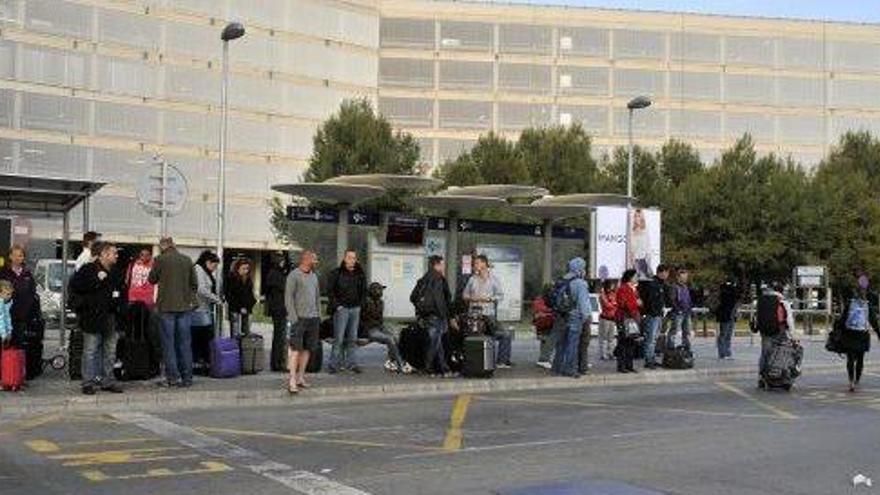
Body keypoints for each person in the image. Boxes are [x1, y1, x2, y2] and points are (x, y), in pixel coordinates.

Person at [69, 241, 124, 395]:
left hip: (111, 316)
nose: (117, 255)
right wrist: (97, 280)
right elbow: (76, 286)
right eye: (114, 253)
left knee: (110, 351)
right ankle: (88, 382)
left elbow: (121, 291)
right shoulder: (88, 269)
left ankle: (108, 380)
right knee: (91, 350)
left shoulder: (116, 271)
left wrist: (121, 308)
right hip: (92, 317)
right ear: (104, 255)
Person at [149, 237, 197, 388]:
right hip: (184, 307)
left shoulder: (160, 260)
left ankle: (173, 378)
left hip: (166, 308)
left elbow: (152, 279)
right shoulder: (187, 259)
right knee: (184, 343)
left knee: (168, 344)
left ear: (163, 246)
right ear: (174, 245)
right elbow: (194, 283)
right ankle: (187, 378)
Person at [462, 254, 513, 368]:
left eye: (477, 263)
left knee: (505, 335)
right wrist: (472, 298)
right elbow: (464, 295)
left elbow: (500, 296)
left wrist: (489, 299)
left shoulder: (494, 279)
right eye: (474, 264)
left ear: (484, 264)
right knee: (478, 339)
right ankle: (477, 362)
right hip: (474, 316)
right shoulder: (472, 279)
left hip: (489, 315)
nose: (475, 266)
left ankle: (502, 361)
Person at [285, 250, 322, 394]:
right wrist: (293, 318)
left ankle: (301, 377)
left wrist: (318, 314)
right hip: (299, 319)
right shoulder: (293, 275)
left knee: (307, 349)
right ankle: (292, 380)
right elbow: (288, 298)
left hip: (313, 319)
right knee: (295, 350)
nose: (316, 263)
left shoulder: (314, 276)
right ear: (306, 260)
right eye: (314, 260)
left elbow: (317, 296)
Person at [411, 255, 453, 377]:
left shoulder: (423, 279)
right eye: (442, 264)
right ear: (437, 265)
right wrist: (443, 315)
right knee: (435, 343)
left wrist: (422, 309)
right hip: (437, 316)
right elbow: (441, 299)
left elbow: (413, 297)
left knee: (437, 342)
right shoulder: (439, 278)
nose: (443, 266)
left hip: (426, 316)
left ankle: (444, 368)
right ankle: (427, 367)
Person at [327, 249, 366, 374]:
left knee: (352, 338)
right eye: (349, 257)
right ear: (344, 259)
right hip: (341, 309)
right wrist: (337, 306)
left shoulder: (360, 274)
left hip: (355, 309)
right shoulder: (336, 273)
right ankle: (334, 365)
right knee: (338, 338)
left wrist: (360, 305)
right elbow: (330, 291)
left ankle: (352, 364)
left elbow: (364, 291)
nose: (352, 260)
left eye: (354, 258)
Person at [551, 257, 591, 379]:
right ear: (580, 269)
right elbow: (583, 304)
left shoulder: (563, 279)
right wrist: (585, 317)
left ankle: (557, 367)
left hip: (561, 315)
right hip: (575, 316)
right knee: (572, 343)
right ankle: (569, 369)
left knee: (561, 343)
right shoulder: (581, 283)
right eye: (584, 268)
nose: (585, 271)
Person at [837, 278, 880, 392]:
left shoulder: (850, 303)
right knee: (860, 359)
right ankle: (857, 379)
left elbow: (842, 319)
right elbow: (874, 322)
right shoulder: (867, 305)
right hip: (862, 334)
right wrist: (878, 333)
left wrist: (837, 331)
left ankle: (851, 381)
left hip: (850, 333)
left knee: (850, 358)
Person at [360, 282, 409, 373]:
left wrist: (383, 327)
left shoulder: (381, 302)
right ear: (373, 291)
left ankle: (390, 361)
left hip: (379, 327)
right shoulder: (366, 302)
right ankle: (400, 364)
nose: (381, 292)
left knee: (396, 336)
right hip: (369, 330)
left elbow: (380, 318)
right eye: (379, 290)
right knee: (389, 338)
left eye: (381, 290)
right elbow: (365, 318)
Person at [753, 284, 795, 389]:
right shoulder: (783, 302)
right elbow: (789, 319)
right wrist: (793, 335)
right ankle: (781, 375)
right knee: (783, 352)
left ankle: (761, 377)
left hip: (765, 330)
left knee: (765, 353)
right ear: (782, 291)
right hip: (779, 330)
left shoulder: (762, 300)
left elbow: (756, 316)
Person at [0, 245, 40, 350]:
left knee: (19, 347)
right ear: (10, 256)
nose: (18, 258)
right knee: (5, 347)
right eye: (15, 255)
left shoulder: (27, 274)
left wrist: (29, 311)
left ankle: (16, 366)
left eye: (21, 256)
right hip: (5, 318)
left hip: (22, 318)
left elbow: (32, 293)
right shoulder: (3, 273)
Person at [191, 250, 221, 374]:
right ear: (208, 262)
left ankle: (202, 363)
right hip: (199, 310)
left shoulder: (203, 271)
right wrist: (216, 299)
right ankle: (199, 364)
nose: (214, 269)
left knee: (203, 338)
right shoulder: (198, 270)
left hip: (204, 309)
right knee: (202, 338)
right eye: (214, 266)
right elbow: (201, 289)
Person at [639, 264, 669, 369]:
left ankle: (652, 358)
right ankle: (648, 360)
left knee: (655, 338)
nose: (667, 275)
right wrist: (654, 312)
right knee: (650, 338)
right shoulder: (653, 284)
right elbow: (650, 301)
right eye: (666, 273)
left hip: (658, 315)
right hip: (652, 315)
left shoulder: (661, 284)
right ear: (661, 272)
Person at [264, 252, 290, 372]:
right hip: (279, 308)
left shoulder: (272, 273)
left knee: (279, 336)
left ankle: (277, 362)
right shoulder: (277, 274)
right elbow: (285, 288)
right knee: (280, 336)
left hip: (277, 308)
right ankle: (278, 363)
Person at [616, 269, 641, 374]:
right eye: (635, 276)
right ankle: (622, 366)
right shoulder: (623, 288)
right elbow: (623, 304)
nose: (637, 278)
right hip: (624, 318)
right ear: (630, 277)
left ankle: (629, 365)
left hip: (633, 318)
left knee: (631, 342)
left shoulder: (634, 289)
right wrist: (636, 303)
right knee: (623, 342)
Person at [225, 258, 256, 337]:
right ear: (237, 268)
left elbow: (250, 294)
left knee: (246, 331)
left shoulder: (248, 279)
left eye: (247, 269)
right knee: (235, 331)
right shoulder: (231, 278)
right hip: (235, 308)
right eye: (243, 268)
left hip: (247, 308)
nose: (245, 271)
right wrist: (240, 307)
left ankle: (244, 346)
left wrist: (250, 305)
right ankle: (235, 347)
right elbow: (230, 295)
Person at [715, 279, 740, 360]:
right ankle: (723, 353)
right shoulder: (726, 292)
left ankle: (726, 352)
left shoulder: (727, 292)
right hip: (726, 315)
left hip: (729, 315)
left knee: (727, 335)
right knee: (724, 335)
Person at [669, 268, 693, 350]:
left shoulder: (685, 287)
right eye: (683, 277)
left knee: (687, 331)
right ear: (678, 277)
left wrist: (690, 308)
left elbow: (688, 299)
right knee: (674, 330)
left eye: (686, 277)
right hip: (678, 312)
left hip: (687, 312)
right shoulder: (674, 287)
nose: (685, 279)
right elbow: (672, 300)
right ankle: (671, 346)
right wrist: (678, 309)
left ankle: (686, 346)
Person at [533, 285, 556, 369]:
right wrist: (551, 311)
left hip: (543, 323)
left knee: (544, 342)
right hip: (544, 323)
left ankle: (543, 359)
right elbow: (540, 310)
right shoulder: (542, 300)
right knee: (547, 342)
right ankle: (544, 359)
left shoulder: (541, 299)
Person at [629, 209, 653, 279]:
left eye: (639, 216)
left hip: (643, 259)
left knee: (645, 278)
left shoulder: (645, 231)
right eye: (635, 216)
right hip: (634, 260)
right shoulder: (631, 231)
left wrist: (647, 260)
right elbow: (631, 248)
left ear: (642, 218)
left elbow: (647, 247)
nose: (636, 218)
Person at [598, 279, 618, 361]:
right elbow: (607, 305)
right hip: (605, 318)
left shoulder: (613, 294)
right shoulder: (603, 295)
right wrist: (613, 304)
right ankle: (603, 354)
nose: (613, 286)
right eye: (611, 285)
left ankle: (610, 353)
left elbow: (617, 303)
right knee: (604, 337)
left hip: (612, 318)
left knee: (611, 337)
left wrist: (614, 304)